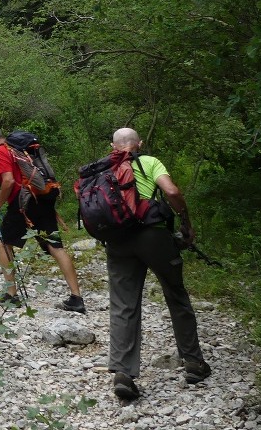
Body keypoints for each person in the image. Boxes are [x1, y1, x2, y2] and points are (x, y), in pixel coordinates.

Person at [103, 127, 210, 401]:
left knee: (124, 304)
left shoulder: (103, 169)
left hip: (117, 239)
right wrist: (185, 220)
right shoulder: (148, 161)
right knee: (176, 294)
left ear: (113, 146)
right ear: (139, 144)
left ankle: (124, 374)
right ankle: (194, 364)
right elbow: (171, 191)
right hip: (153, 236)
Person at [0, 125, 85, 312]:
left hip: (24, 204)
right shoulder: (19, 150)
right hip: (42, 199)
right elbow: (14, 181)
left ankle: (11, 295)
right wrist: (3, 193)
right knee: (55, 246)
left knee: (3, 243)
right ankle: (76, 298)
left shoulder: (0, 151)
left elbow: (9, 181)